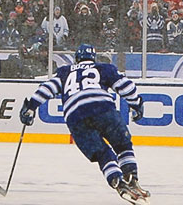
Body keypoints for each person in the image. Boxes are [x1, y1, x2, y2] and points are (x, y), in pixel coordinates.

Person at [19, 45, 149, 201]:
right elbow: (126, 87)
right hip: (103, 110)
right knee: (122, 145)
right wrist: (137, 104)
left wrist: (31, 107)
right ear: (93, 58)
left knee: (102, 154)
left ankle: (118, 181)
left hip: (75, 118)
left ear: (77, 58)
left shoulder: (65, 72)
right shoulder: (103, 68)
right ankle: (131, 178)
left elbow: (48, 88)